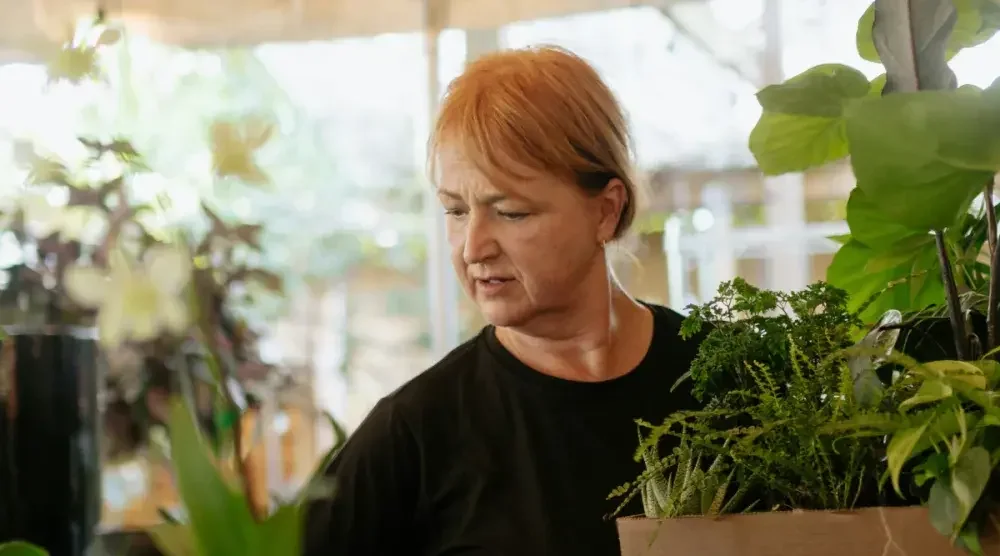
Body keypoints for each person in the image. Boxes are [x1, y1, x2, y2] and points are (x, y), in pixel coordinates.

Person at [302, 45, 705, 556]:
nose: (473, 248)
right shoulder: (414, 434)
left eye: (511, 213)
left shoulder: (740, 386)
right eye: (455, 211)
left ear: (606, 211)